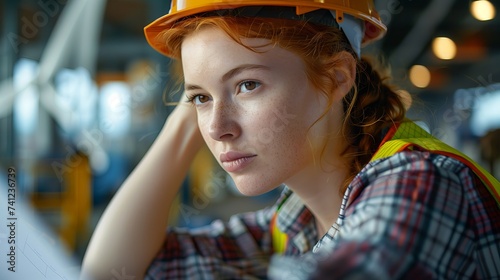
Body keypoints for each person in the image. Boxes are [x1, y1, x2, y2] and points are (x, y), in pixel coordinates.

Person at [81, 1, 500, 279]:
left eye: (248, 85)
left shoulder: (422, 185)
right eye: (200, 98)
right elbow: (114, 270)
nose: (217, 127)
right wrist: (187, 119)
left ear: (337, 78)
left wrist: (209, 92)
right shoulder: (296, 219)